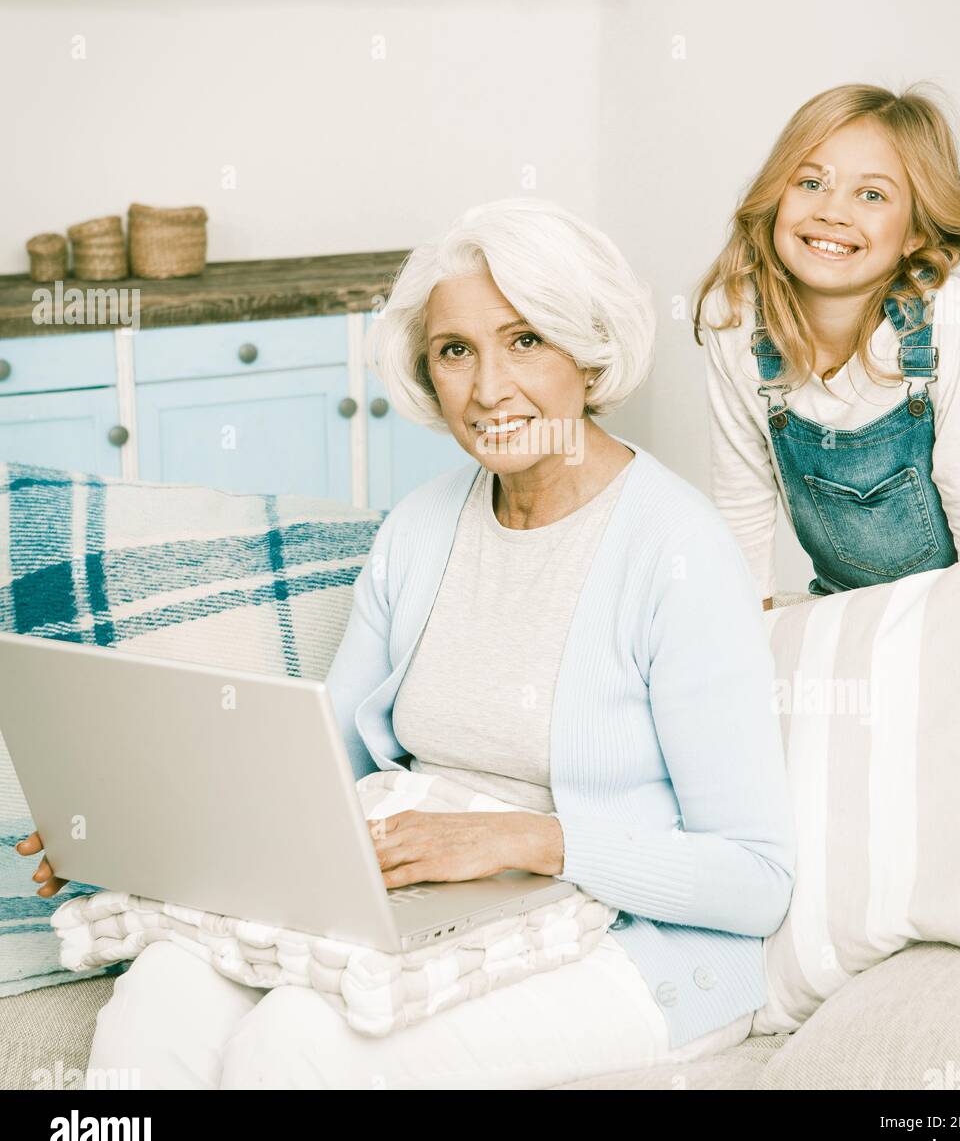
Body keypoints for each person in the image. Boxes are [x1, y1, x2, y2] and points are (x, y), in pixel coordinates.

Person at [20, 198, 795, 1089]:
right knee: (161, 997)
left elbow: (756, 878)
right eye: (456, 350)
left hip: (628, 947)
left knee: (299, 1045)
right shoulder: (422, 528)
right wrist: (124, 826)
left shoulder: (678, 550)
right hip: (426, 907)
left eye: (527, 340)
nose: (490, 387)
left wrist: (527, 840)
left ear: (590, 350)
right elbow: (322, 773)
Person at [693, 82, 960, 604]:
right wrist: (748, 640)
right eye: (811, 183)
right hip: (848, 599)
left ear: (916, 232)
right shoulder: (736, 318)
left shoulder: (941, 313)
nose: (833, 211)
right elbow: (743, 501)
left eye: (871, 194)